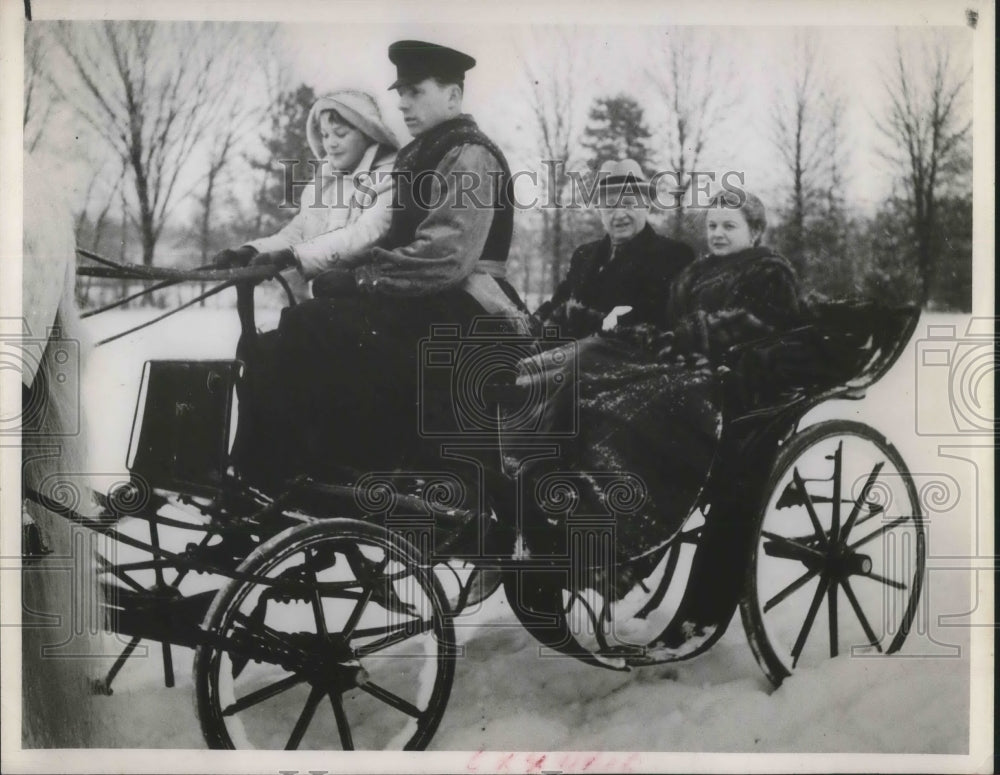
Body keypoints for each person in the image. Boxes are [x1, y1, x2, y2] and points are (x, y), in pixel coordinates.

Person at [237, 40, 526, 485]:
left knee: (316, 324)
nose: (403, 104)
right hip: (424, 300)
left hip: (468, 307)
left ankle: (334, 469)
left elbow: (444, 255)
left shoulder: (469, 153)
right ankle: (268, 473)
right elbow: (378, 233)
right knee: (281, 338)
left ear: (452, 95)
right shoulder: (418, 153)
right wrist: (282, 255)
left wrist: (361, 281)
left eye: (415, 92)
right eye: (400, 94)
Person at [212, 90, 399, 295]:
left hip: (368, 297)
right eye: (325, 135)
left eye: (341, 134)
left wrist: (293, 256)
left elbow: (366, 234)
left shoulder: (386, 176)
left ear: (368, 134)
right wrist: (253, 251)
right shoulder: (326, 183)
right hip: (324, 300)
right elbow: (300, 232)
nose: (331, 143)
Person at [534, 159, 694, 336]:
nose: (619, 214)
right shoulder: (584, 255)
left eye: (628, 203)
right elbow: (559, 304)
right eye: (610, 205)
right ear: (600, 210)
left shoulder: (673, 255)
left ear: (646, 206)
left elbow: (657, 319)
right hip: (570, 353)